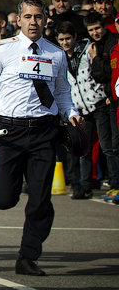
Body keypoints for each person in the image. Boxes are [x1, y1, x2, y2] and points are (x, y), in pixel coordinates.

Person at [0, 0, 81, 276]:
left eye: (39, 17)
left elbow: (62, 91)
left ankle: (28, 256)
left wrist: (70, 113)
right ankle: (6, 190)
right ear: (19, 20)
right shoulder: (2, 50)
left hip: (44, 132)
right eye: (29, 17)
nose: (34, 22)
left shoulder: (55, 54)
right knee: (4, 199)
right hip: (9, 132)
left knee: (40, 198)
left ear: (45, 20)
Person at [60, 19, 103, 199]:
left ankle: (91, 183)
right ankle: (80, 184)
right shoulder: (60, 58)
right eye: (61, 39)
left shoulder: (87, 51)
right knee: (80, 149)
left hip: (97, 104)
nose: (65, 43)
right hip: (76, 110)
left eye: (68, 38)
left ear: (75, 37)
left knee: (103, 148)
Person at [84, 11, 119, 198]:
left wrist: (97, 59)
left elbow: (109, 74)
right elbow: (98, 76)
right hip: (103, 100)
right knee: (107, 146)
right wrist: (96, 58)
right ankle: (114, 184)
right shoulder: (93, 46)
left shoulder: (114, 42)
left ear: (104, 26)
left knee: (115, 145)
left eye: (98, 28)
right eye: (91, 30)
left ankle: (116, 183)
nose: (95, 32)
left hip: (113, 100)